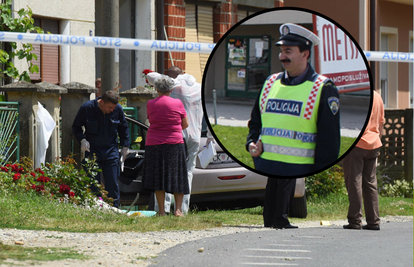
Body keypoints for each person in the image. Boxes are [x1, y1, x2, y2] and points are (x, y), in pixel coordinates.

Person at [246, 23, 340, 229]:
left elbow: (329, 140)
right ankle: (272, 220)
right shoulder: (270, 82)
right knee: (274, 185)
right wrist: (252, 142)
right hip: (268, 161)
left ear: (305, 53)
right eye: (281, 51)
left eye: (288, 51)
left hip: (298, 162)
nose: (282, 56)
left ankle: (279, 219)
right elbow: (256, 122)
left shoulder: (323, 88)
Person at [147, 67, 203, 215]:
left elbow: (152, 77)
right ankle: (181, 209)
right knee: (183, 174)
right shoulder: (198, 87)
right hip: (192, 135)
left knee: (161, 176)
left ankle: (162, 209)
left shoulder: (169, 91)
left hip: (168, 139)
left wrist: (149, 72)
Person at [72, 90, 130, 208]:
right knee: (93, 182)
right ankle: (95, 207)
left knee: (112, 181)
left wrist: (125, 146)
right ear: (102, 102)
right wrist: (82, 140)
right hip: (92, 149)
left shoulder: (117, 109)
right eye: (110, 107)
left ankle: (114, 208)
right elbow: (76, 127)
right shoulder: (87, 108)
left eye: (113, 107)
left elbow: (123, 128)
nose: (112, 110)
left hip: (111, 149)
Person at [142, 74, 190, 217]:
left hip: (154, 143)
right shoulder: (178, 103)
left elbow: (151, 120)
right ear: (171, 89)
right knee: (178, 176)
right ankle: (178, 210)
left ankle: (162, 211)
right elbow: (185, 124)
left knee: (158, 177)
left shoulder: (150, 103)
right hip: (174, 142)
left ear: (156, 89)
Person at [343, 89, 384, 230]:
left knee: (354, 180)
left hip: (358, 144)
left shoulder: (363, 96)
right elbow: (381, 123)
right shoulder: (378, 96)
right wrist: (377, 140)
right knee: (370, 182)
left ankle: (355, 220)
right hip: (374, 143)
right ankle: (374, 221)